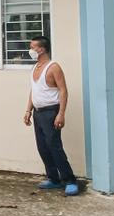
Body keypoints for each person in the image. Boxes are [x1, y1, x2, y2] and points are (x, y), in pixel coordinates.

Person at [22, 36, 82, 196]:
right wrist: (28, 110)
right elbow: (34, 90)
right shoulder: (35, 67)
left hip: (51, 111)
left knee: (54, 146)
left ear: (41, 49)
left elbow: (63, 90)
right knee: (43, 146)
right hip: (38, 112)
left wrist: (61, 114)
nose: (30, 50)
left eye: (32, 47)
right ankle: (53, 178)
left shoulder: (53, 67)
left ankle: (70, 180)